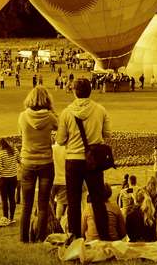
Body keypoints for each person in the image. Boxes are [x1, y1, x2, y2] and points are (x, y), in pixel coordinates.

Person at [55, 78, 111, 240]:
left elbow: (60, 140)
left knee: (73, 202)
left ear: (74, 91)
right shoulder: (100, 110)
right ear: (90, 90)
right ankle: (104, 237)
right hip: (93, 160)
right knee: (98, 201)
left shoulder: (67, 113)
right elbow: (107, 134)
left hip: (73, 160)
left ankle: (75, 238)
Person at [18, 87, 58, 243]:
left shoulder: (23, 116)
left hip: (27, 162)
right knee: (43, 205)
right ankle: (41, 238)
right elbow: (60, 127)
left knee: (26, 205)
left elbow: (21, 134)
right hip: (45, 162)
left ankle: (23, 239)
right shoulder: (49, 117)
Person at [0, 138, 20, 223]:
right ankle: (11, 218)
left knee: (4, 199)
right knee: (12, 198)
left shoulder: (0, 153)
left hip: (3, 179)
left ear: (1, 145)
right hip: (13, 178)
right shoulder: (15, 150)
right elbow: (19, 160)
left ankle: (5, 218)